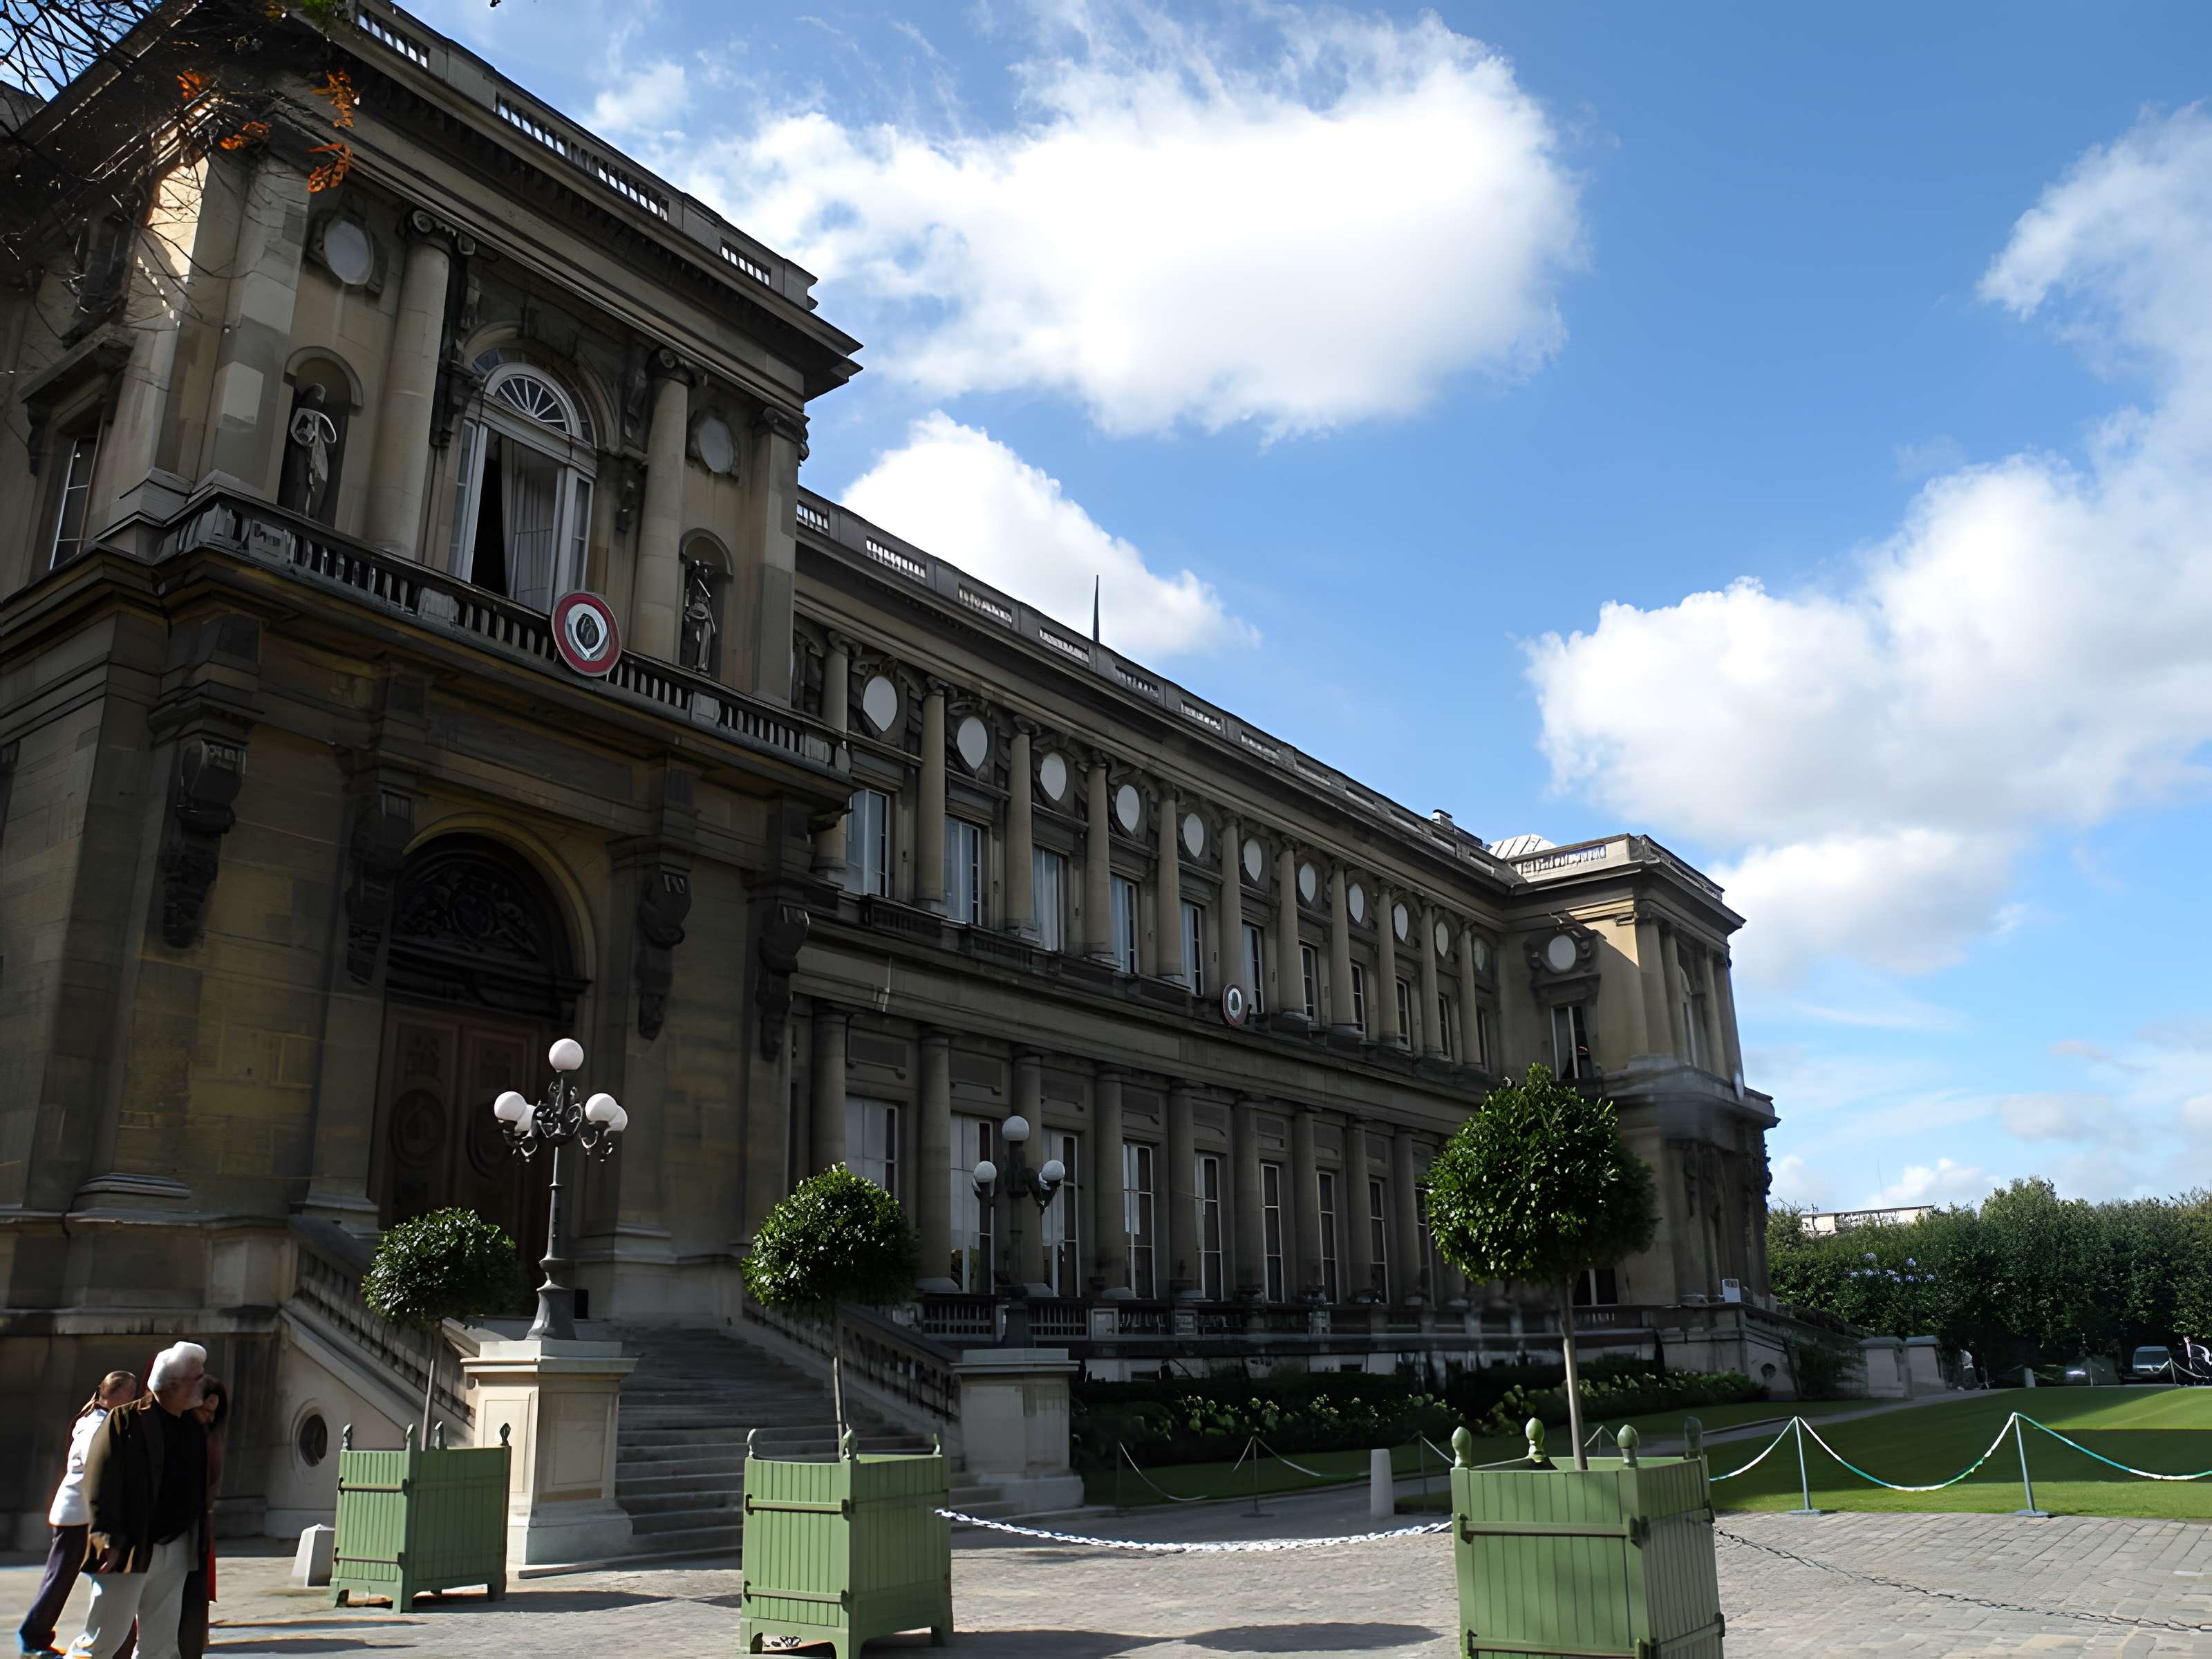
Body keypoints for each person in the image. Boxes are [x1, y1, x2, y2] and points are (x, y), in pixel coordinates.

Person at [64, 1342, 207, 1659]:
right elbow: (100, 1482)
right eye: (196, 1378)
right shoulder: (124, 1421)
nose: (204, 1383)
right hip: (128, 1548)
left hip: (177, 1547)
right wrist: (107, 1540)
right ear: (172, 1385)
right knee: (101, 1642)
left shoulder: (193, 1425)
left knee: (161, 1646)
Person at [17, 1371, 136, 1659]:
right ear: (120, 1395)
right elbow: (94, 1464)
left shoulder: (100, 1419)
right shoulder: (96, 1425)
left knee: (88, 1578)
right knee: (64, 1577)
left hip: (83, 1514)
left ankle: (118, 1638)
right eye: (132, 1393)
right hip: (78, 1515)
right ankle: (34, 1638)